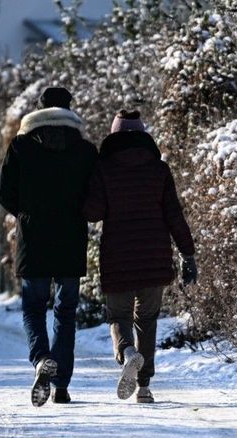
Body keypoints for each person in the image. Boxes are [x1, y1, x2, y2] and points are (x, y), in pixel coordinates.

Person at [83, 110, 198, 404]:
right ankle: (144, 387)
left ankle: (128, 353)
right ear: (144, 135)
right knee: (146, 320)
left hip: (118, 257)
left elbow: (92, 213)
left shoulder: (104, 169)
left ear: (113, 136)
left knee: (118, 315)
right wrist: (188, 254)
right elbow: (175, 216)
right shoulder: (159, 170)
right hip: (154, 257)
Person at [0, 87, 98, 406]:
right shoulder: (84, 150)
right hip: (70, 240)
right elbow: (95, 196)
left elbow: (3, 192)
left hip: (33, 239)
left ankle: (41, 358)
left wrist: (25, 215)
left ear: (37, 110)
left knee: (33, 307)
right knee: (66, 312)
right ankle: (62, 385)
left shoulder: (21, 146)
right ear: (70, 110)